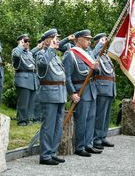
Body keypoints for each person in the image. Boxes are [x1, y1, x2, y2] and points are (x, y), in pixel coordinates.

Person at [63, 29, 102, 157]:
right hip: (80, 90)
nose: (89, 41)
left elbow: (95, 72)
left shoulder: (88, 54)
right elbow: (67, 76)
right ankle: (80, 146)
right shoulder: (71, 54)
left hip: (91, 89)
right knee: (82, 120)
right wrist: (72, 93)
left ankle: (88, 144)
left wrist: (96, 69)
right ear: (79, 39)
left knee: (91, 119)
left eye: (90, 39)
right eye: (87, 39)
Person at [36, 28, 66, 165]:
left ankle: (52, 152)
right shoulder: (41, 54)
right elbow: (42, 65)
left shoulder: (54, 55)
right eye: (55, 38)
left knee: (57, 126)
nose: (57, 40)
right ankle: (45, 155)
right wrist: (51, 49)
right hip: (49, 94)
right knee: (48, 126)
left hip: (59, 93)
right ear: (48, 40)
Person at [92, 33, 116, 149]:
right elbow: (92, 57)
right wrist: (99, 46)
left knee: (106, 115)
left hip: (109, 88)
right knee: (100, 115)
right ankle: (96, 138)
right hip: (101, 88)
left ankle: (102, 136)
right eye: (103, 40)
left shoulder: (106, 56)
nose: (106, 42)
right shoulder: (96, 55)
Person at [11, 34, 38, 126]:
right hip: (23, 79)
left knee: (31, 101)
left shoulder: (29, 53)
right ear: (19, 42)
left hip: (31, 78)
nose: (27, 43)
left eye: (28, 41)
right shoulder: (16, 51)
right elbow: (16, 56)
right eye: (25, 41)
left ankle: (28, 119)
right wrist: (20, 46)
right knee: (23, 101)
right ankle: (22, 120)